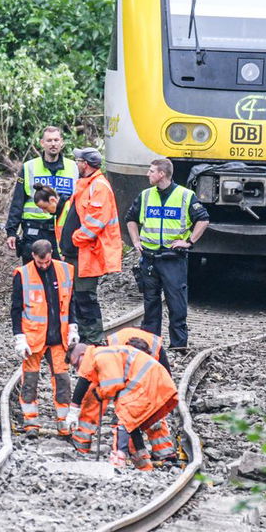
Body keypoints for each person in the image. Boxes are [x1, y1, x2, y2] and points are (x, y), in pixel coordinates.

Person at [125, 157, 209, 350]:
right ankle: (150, 344)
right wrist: (136, 241)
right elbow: (130, 218)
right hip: (150, 258)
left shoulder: (185, 195)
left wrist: (189, 242)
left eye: (151, 171)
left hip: (173, 259)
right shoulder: (146, 195)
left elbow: (203, 219)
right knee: (150, 304)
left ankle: (178, 345)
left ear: (162, 174)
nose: (148, 174)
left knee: (176, 304)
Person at [63, 341, 179, 469]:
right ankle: (144, 466)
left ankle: (118, 459)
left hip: (145, 383)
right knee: (130, 424)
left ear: (82, 355)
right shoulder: (103, 355)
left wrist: (99, 393)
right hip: (150, 382)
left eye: (76, 364)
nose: (78, 369)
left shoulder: (100, 356)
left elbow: (113, 384)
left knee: (122, 420)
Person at [9, 239, 75, 436]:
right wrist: (19, 336)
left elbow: (72, 302)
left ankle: (64, 422)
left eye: (46, 262)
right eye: (40, 263)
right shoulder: (23, 275)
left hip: (59, 337)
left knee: (63, 380)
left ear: (51, 254)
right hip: (33, 339)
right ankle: (31, 422)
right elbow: (16, 308)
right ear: (33, 257)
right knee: (30, 380)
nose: (44, 266)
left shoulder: (66, 271)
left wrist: (73, 327)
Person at [66, 147, 121, 345]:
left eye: (78, 161)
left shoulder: (98, 186)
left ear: (85, 164)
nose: (76, 164)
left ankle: (95, 340)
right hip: (79, 252)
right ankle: (85, 337)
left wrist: (75, 238)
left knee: (85, 297)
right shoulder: (86, 183)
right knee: (77, 297)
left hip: (87, 251)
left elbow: (96, 221)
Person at [4, 126, 79, 263]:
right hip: (34, 229)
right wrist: (12, 231)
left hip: (63, 230)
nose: (53, 144)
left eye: (56, 140)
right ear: (42, 143)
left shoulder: (73, 167)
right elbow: (18, 201)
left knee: (62, 275)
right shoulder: (29, 167)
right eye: (49, 140)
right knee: (33, 274)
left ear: (61, 142)